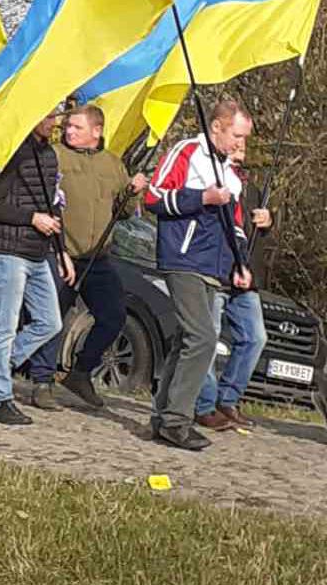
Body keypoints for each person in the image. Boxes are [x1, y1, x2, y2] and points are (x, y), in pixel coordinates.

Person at [145, 98, 254, 451]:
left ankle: (162, 416)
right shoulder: (188, 151)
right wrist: (201, 197)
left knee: (186, 340)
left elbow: (234, 224)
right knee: (204, 337)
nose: (241, 144)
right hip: (183, 257)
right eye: (237, 135)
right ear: (217, 127)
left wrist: (239, 263)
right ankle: (178, 420)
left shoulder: (230, 171)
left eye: (245, 137)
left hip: (213, 265)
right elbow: (154, 197)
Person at [26, 105, 147, 410]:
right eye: (67, 126)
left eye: (77, 127)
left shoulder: (113, 165)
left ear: (97, 131)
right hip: (59, 252)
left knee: (114, 315)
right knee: (52, 317)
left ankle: (80, 372)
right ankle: (42, 381)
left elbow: (123, 213)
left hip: (97, 257)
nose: (68, 131)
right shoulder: (54, 156)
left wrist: (132, 191)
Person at [0, 111, 69, 425]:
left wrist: (62, 250)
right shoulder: (10, 151)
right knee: (5, 325)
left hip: (39, 252)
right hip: (9, 251)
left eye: (57, 115)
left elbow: (53, 203)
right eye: (49, 115)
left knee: (51, 322)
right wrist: (31, 218)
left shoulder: (49, 154)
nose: (54, 122)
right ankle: (0, 399)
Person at [193, 142, 271, 431]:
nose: (240, 148)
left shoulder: (254, 190)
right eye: (234, 141)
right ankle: (204, 403)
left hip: (245, 276)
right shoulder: (211, 176)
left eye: (243, 143)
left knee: (255, 337)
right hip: (217, 271)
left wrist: (267, 223)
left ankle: (228, 399)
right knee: (207, 339)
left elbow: (254, 239)